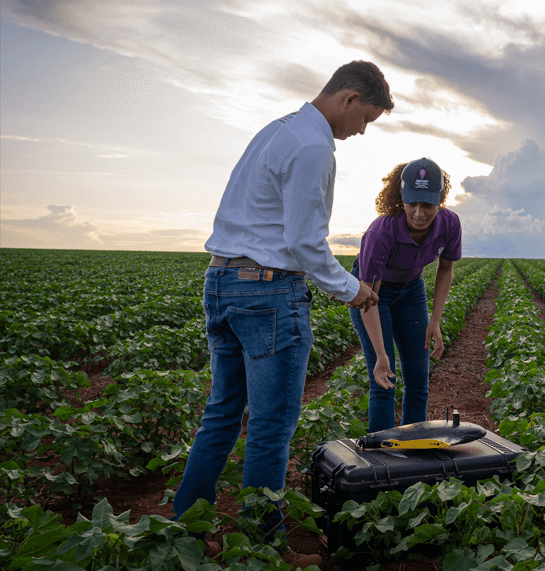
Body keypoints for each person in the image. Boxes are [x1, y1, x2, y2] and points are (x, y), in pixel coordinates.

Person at [172, 60, 393, 566]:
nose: (360, 132)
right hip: (269, 292)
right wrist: (350, 288)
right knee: (271, 427)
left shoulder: (277, 131)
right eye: (366, 120)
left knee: (223, 414)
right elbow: (302, 242)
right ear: (350, 99)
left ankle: (183, 529)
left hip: (222, 279)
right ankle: (265, 547)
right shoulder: (315, 146)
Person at [350, 157, 462, 432]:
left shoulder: (449, 224)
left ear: (441, 199)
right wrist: (380, 353)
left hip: (411, 290)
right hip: (374, 294)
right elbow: (368, 299)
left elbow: (445, 269)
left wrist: (434, 320)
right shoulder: (381, 232)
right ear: (401, 199)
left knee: (418, 380)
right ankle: (383, 457)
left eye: (428, 204)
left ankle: (412, 453)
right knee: (384, 378)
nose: (420, 213)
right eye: (413, 203)